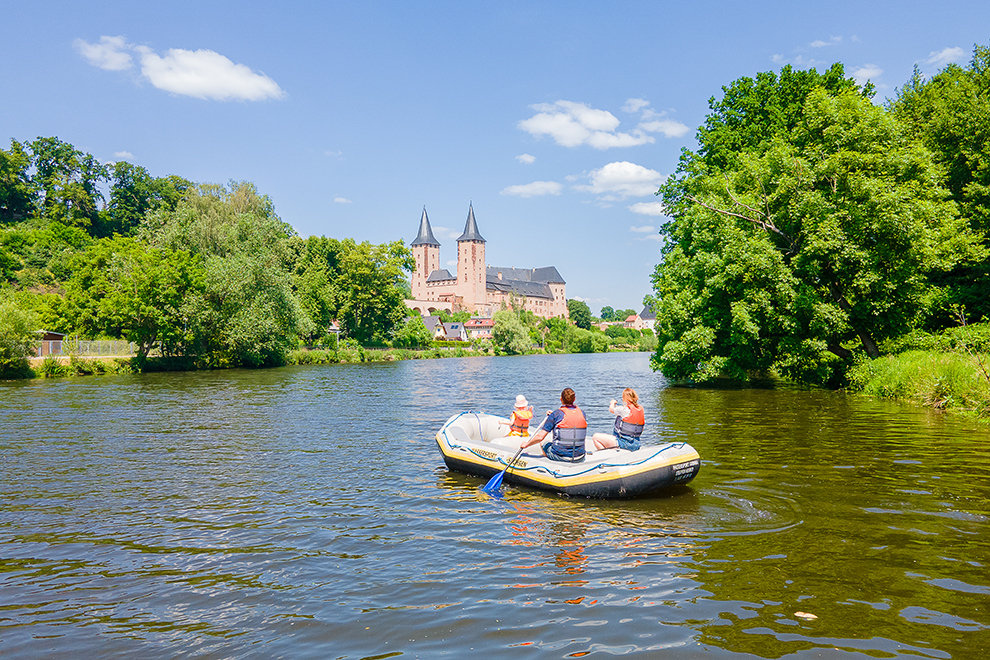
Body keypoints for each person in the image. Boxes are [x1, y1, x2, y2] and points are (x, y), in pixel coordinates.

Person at [521, 387, 587, 462]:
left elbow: (540, 437)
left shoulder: (556, 414)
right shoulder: (582, 413)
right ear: (574, 399)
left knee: (543, 442)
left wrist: (526, 444)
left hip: (561, 456)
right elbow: (570, 417)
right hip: (580, 456)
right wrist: (552, 415)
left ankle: (550, 462)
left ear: (561, 399)